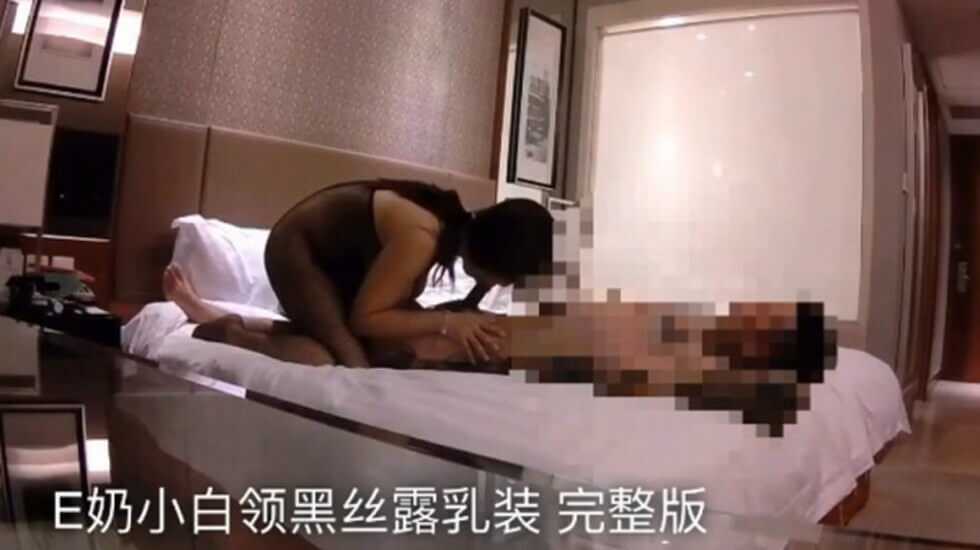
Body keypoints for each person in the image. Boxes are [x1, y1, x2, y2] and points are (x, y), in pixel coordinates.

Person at [163, 179, 554, 368]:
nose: (498, 285)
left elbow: (441, 313)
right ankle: (228, 334)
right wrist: (450, 323)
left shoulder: (457, 230)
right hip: (301, 253)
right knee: (344, 365)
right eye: (503, 276)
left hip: (345, 263)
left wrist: (463, 316)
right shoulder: (421, 237)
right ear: (491, 251)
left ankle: (210, 313)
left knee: (349, 341)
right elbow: (365, 320)